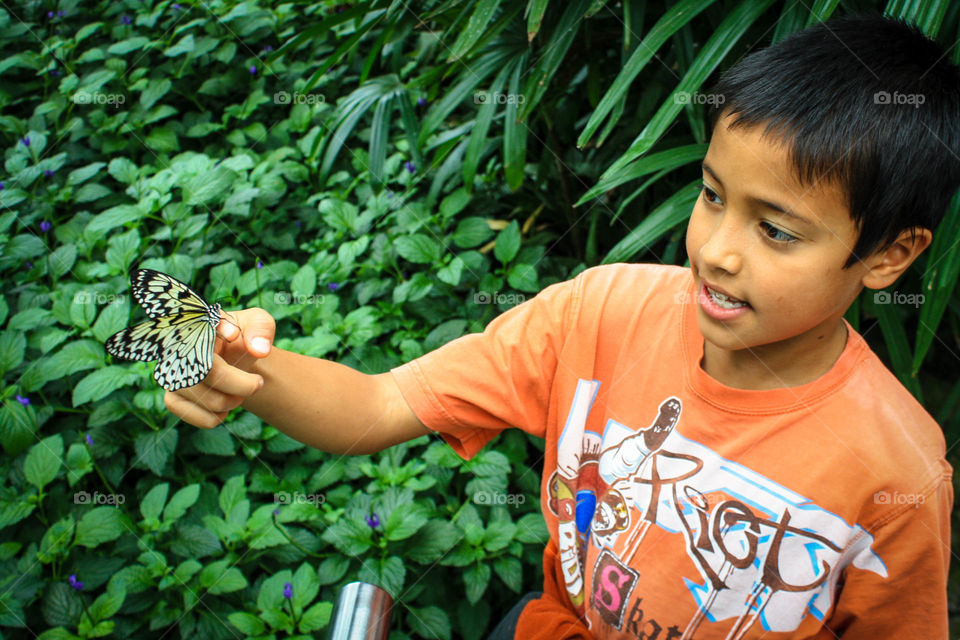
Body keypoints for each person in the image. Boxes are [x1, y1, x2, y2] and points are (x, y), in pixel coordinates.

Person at [164, 11, 957, 639]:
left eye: (775, 231)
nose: (715, 251)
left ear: (889, 255)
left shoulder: (898, 473)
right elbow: (375, 406)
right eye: (713, 195)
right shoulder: (599, 312)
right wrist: (243, 363)